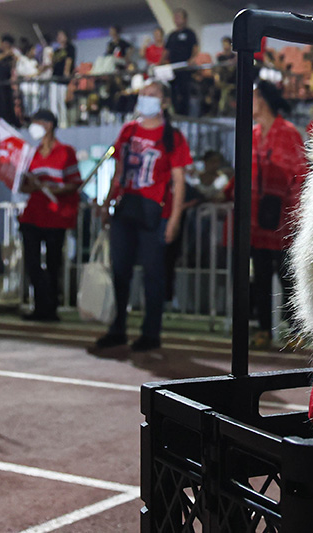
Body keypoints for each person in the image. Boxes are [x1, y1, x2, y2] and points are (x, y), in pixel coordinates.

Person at [95, 80, 190, 352]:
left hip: (156, 212)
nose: (145, 99)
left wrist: (174, 219)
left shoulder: (172, 136)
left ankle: (151, 332)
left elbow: (179, 180)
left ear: (164, 102)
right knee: (120, 270)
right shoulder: (129, 130)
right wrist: (107, 202)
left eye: (152, 95)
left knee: (153, 274)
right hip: (126, 207)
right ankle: (118, 328)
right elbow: (119, 169)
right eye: (143, 94)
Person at [249, 80, 306, 349]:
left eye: (253, 97)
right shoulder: (253, 133)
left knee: (288, 276)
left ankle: (295, 329)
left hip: (283, 219)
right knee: (259, 276)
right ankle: (262, 329)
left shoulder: (288, 132)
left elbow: (300, 174)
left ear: (264, 100)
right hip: (256, 219)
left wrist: (295, 216)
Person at [17, 110, 82, 321]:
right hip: (33, 215)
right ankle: (40, 306)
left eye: (37, 122)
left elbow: (74, 183)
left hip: (56, 217)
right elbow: (24, 187)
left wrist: (52, 189)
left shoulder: (66, 152)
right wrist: (32, 185)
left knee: (53, 263)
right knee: (32, 263)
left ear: (49, 125)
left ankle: (50, 307)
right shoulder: (31, 154)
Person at [164, 8, 198, 116]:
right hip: (173, 68)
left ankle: (185, 113)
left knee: (184, 91)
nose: (177, 19)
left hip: (185, 68)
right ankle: (176, 113)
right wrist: (161, 62)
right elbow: (166, 51)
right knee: (173, 91)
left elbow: (195, 48)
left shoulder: (190, 33)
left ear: (185, 19)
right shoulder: (171, 35)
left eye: (179, 17)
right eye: (175, 17)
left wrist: (192, 59)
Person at [50, 30, 75, 128]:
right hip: (55, 77)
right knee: (54, 102)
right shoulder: (56, 51)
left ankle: (63, 123)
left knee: (62, 101)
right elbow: (53, 64)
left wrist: (67, 72)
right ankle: (55, 122)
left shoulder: (70, 48)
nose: (59, 37)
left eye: (61, 35)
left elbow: (69, 60)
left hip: (63, 79)